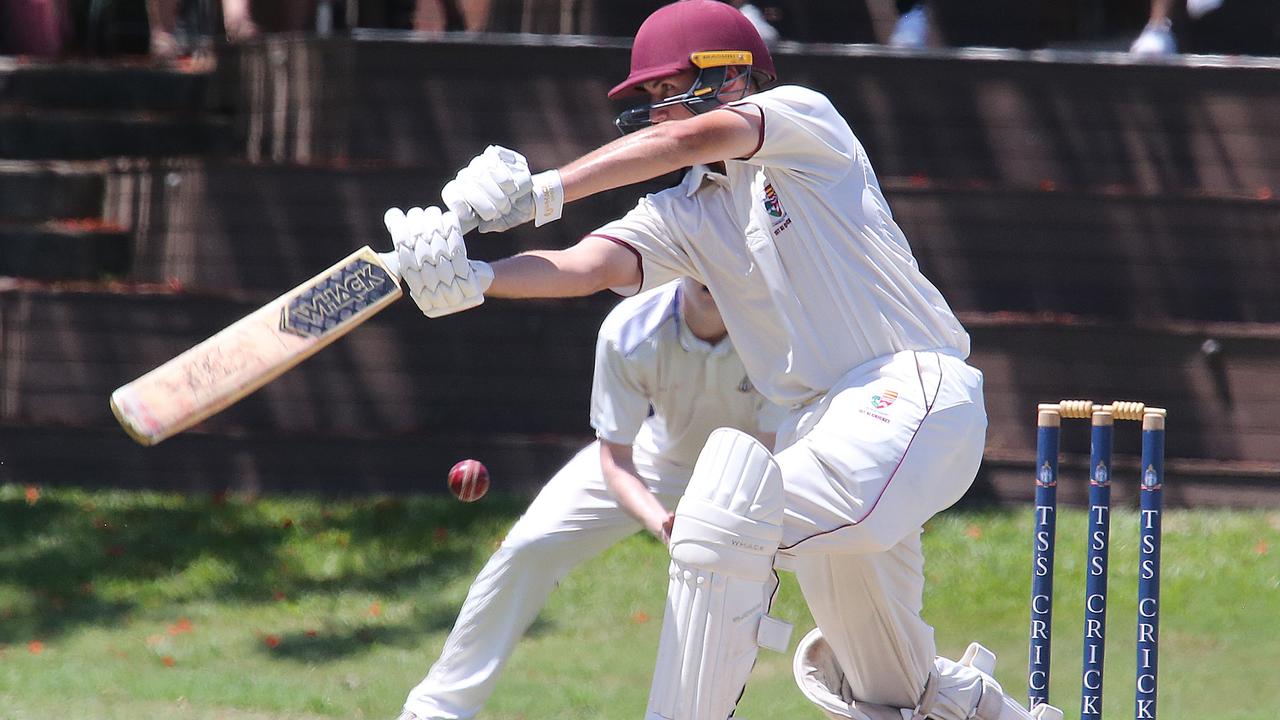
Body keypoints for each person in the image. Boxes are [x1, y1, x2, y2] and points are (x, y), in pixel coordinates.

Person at [381, 2, 1063, 719]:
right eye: (644, 100)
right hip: (819, 432)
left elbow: (692, 138)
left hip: (908, 393)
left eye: (662, 90)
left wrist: (540, 191)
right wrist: (477, 277)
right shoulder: (687, 213)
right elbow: (582, 265)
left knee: (721, 518)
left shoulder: (802, 120)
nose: (656, 113)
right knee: (896, 692)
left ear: (728, 78)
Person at [396, 278, 783, 720]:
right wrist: (662, 522)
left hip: (756, 473)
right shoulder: (632, 330)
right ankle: (435, 712)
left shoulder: (769, 327)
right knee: (530, 546)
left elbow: (769, 449)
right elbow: (616, 458)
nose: (710, 276)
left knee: (845, 553)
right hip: (656, 461)